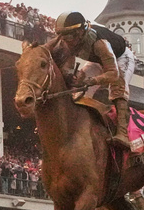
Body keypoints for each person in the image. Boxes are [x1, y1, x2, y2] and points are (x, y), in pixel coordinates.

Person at [53, 11, 136, 149]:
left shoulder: (100, 43)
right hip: (97, 61)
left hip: (120, 58)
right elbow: (68, 63)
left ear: (80, 32)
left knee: (117, 87)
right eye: (62, 35)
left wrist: (91, 81)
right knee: (78, 93)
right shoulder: (69, 41)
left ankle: (123, 134)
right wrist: (70, 75)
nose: (65, 40)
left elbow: (113, 74)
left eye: (68, 35)